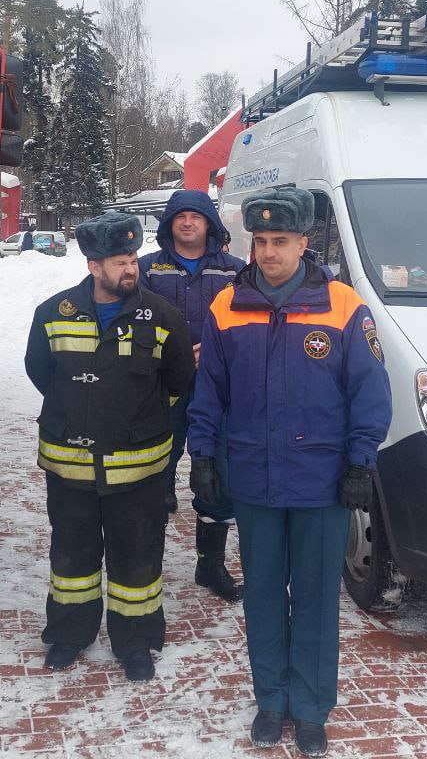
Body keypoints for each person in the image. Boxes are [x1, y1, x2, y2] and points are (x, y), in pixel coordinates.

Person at [187, 186, 393, 756]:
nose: (269, 252)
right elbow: (209, 392)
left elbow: (370, 394)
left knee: (317, 598)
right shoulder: (227, 306)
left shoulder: (344, 306)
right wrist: (202, 454)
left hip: (321, 484)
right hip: (253, 480)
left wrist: (360, 463)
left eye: (281, 241)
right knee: (263, 596)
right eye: (261, 241)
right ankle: (271, 699)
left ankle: (310, 708)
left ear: (304, 243)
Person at [24, 212, 194, 682]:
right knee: (72, 555)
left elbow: (179, 382)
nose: (131, 268)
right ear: (94, 266)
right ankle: (69, 633)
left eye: (133, 258)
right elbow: (41, 372)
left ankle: (136, 640)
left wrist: (133, 419)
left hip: (138, 470)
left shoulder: (163, 318)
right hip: (70, 466)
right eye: (120, 261)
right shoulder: (52, 314)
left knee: (138, 557)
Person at [138, 190, 245, 602]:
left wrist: (216, 352)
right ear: (169, 224)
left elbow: (249, 326)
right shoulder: (147, 270)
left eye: (196, 217)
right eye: (179, 216)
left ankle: (210, 565)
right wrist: (175, 351)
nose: (187, 223)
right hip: (161, 389)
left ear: (210, 224)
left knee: (217, 476)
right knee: (153, 477)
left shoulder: (236, 272)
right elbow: (134, 324)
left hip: (218, 390)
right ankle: (146, 565)